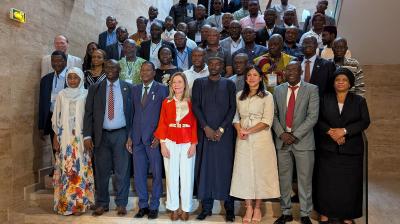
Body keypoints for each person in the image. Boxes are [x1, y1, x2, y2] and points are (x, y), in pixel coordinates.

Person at [314, 68, 370, 224]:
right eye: (337, 79)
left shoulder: (359, 101)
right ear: (333, 83)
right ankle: (324, 214)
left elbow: (364, 121)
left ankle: (348, 216)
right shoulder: (325, 99)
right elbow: (318, 119)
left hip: (351, 150)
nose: (340, 82)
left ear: (350, 83)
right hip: (328, 149)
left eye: (344, 80)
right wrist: (332, 132)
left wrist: (344, 131)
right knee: (326, 183)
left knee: (350, 185)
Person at [230, 65, 280, 223]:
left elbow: (267, 121)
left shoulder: (267, 96)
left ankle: (258, 207)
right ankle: (248, 207)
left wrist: (248, 131)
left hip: (261, 139)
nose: (251, 78)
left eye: (255, 75)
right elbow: (235, 117)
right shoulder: (239, 95)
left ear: (260, 78)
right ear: (245, 78)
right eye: (249, 75)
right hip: (242, 138)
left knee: (260, 173)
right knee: (244, 172)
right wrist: (239, 130)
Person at [83, 59, 132, 217]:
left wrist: (131, 136)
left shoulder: (129, 88)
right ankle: (102, 203)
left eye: (114, 67)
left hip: (121, 134)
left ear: (119, 69)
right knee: (101, 172)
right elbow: (89, 113)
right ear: (104, 69)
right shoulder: (95, 88)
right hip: (101, 135)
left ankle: (121, 203)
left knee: (122, 171)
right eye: (107, 67)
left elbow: (134, 114)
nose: (110, 69)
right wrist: (87, 135)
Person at [272, 61, 319, 224]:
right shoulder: (278, 90)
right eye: (288, 69)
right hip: (283, 142)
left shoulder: (312, 89)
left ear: (300, 71)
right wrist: (281, 133)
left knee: (304, 179)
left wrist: (295, 135)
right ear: (284, 72)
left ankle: (305, 214)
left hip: (303, 142)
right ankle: (286, 212)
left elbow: (313, 116)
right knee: (284, 178)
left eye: (294, 69)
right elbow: (274, 115)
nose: (291, 72)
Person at [192, 56, 236, 222]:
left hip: (224, 136)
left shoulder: (229, 84)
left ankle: (229, 208)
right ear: (207, 65)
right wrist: (206, 128)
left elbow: (232, 108)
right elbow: (195, 105)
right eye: (211, 63)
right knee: (206, 169)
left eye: (218, 64)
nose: (214, 66)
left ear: (223, 66)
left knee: (226, 170)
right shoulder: (199, 83)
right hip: (205, 133)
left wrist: (221, 129)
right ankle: (206, 208)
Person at [125, 61, 168, 220]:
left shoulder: (162, 89)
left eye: (147, 70)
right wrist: (130, 135)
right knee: (139, 174)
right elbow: (133, 114)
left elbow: (165, 115)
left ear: (154, 71)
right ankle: (143, 205)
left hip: (154, 139)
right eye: (142, 70)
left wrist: (160, 135)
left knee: (157, 174)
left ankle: (154, 206)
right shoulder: (134, 89)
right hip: (137, 138)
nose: (144, 72)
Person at [154, 72, 198, 221]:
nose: (177, 85)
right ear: (171, 85)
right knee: (171, 176)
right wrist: (163, 144)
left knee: (187, 176)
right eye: (174, 82)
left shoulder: (191, 102)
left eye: (180, 82)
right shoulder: (166, 102)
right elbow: (162, 123)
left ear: (185, 84)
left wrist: (193, 144)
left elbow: (194, 124)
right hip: (170, 141)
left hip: (187, 142)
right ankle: (173, 207)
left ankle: (186, 208)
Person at [52, 67, 94, 215]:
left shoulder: (86, 93)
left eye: (75, 77)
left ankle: (80, 205)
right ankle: (66, 205)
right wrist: (55, 137)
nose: (72, 80)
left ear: (81, 78)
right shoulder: (61, 95)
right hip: (65, 139)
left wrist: (89, 137)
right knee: (67, 170)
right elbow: (56, 118)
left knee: (80, 169)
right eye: (69, 77)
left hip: (81, 139)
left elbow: (89, 118)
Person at [39, 51, 68, 176]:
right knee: (54, 143)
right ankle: (58, 167)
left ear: (65, 62)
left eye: (59, 60)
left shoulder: (71, 77)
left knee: (67, 143)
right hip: (51, 116)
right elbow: (42, 103)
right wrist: (41, 125)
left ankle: (68, 168)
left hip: (67, 117)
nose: (56, 63)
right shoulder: (45, 79)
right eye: (53, 61)